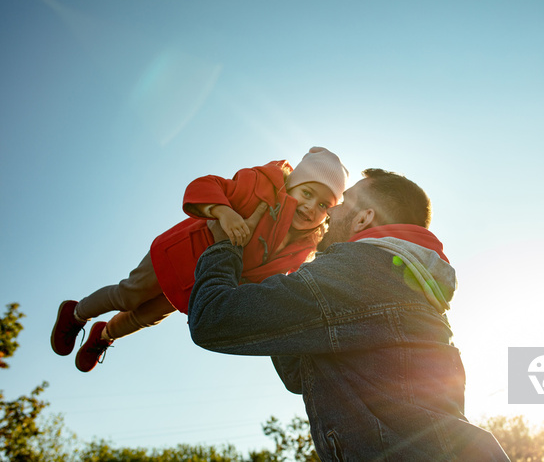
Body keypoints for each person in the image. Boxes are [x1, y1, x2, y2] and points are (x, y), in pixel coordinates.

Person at [188, 168, 510, 461]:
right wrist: (266, 265)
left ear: (362, 219)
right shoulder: (410, 286)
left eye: (342, 202)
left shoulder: (358, 271)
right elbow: (297, 373)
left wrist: (225, 245)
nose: (331, 210)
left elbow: (211, 317)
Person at [50, 147, 349, 373]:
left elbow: (272, 280)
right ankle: (76, 314)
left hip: (200, 284)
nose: (311, 206)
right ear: (292, 184)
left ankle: (103, 335)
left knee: (146, 317)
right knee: (129, 295)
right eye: (307, 192)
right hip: (178, 255)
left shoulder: (302, 248)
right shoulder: (259, 187)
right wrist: (224, 211)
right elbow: (205, 185)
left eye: (323, 204)